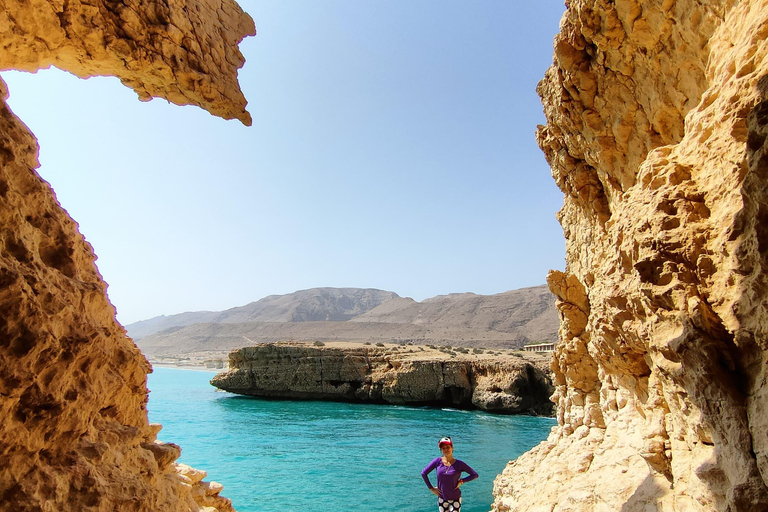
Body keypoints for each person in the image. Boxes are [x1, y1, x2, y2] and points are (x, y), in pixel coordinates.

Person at [421, 436, 478, 512]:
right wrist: (431, 488)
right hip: (442, 498)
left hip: (455, 498)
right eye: (443, 448)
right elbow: (424, 473)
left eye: (448, 447)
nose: (446, 449)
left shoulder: (459, 464)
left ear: (452, 448)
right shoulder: (437, 461)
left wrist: (462, 481)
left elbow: (474, 475)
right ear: (441, 450)